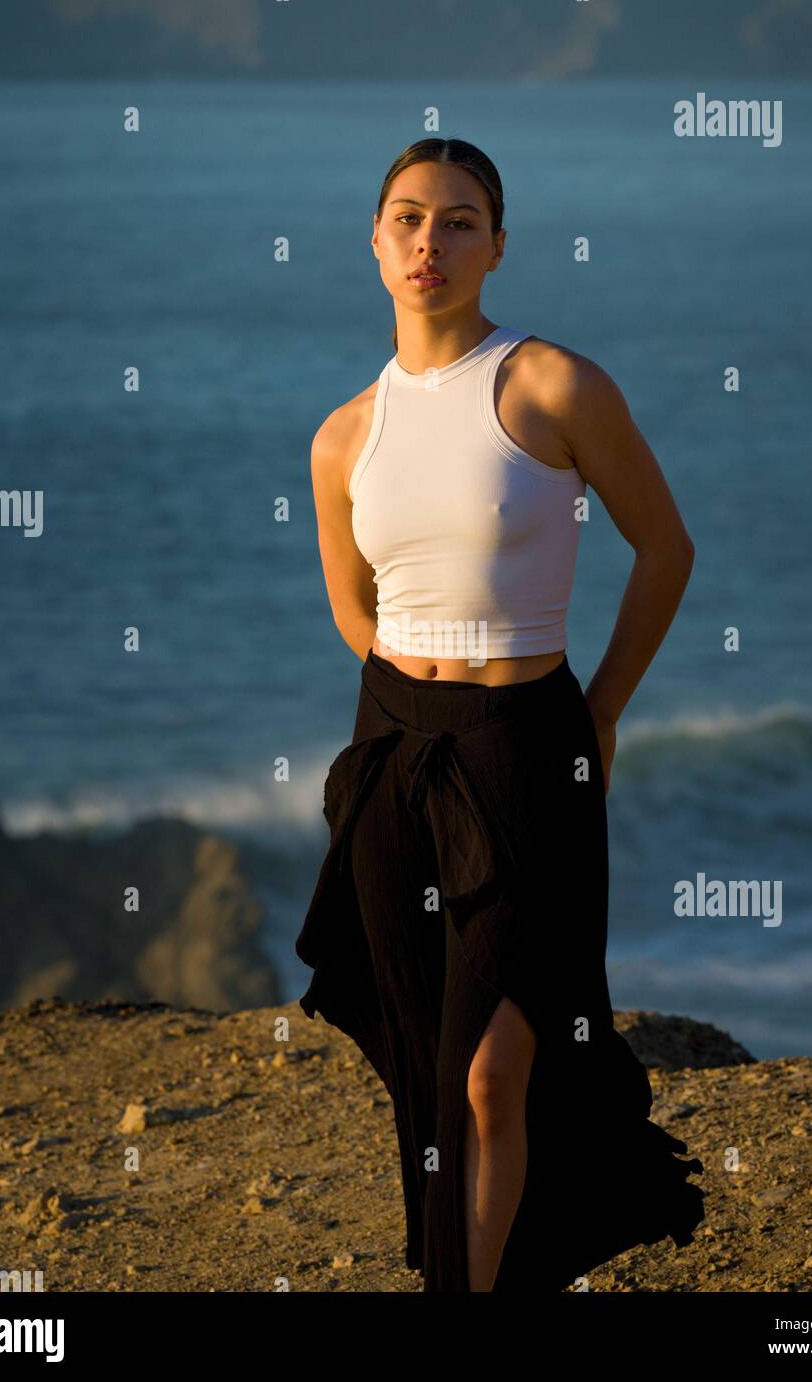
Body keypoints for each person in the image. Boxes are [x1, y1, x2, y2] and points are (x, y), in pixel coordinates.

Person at [295, 137, 704, 1292]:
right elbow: (353, 611)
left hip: (526, 747)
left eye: (459, 220)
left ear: (497, 245)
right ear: (375, 241)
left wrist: (603, 711)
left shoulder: (551, 386)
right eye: (408, 218)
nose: (431, 241)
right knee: (427, 1069)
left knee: (490, 1070)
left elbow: (665, 548)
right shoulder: (340, 437)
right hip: (391, 756)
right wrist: (410, 707)